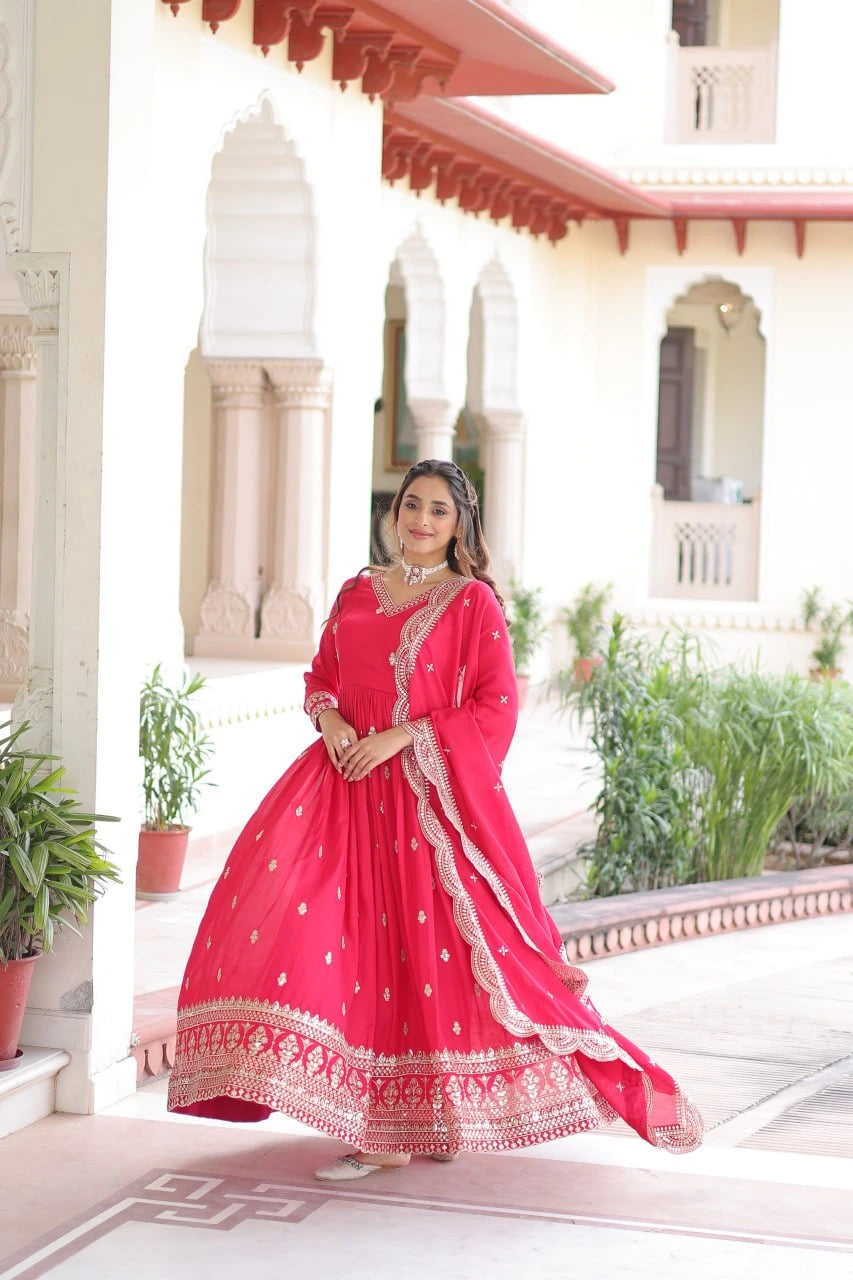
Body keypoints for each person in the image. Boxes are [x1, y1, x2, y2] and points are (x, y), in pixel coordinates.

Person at [167, 459, 703, 1179]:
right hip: (338, 789)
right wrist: (328, 720)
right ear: (394, 513)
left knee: (422, 963)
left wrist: (404, 736)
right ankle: (390, 1121)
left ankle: (405, 1128)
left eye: (438, 511)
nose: (420, 520)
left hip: (424, 805)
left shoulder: (472, 603)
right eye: (411, 505)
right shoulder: (358, 588)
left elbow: (494, 706)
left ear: (460, 525)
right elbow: (322, 674)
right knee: (320, 938)